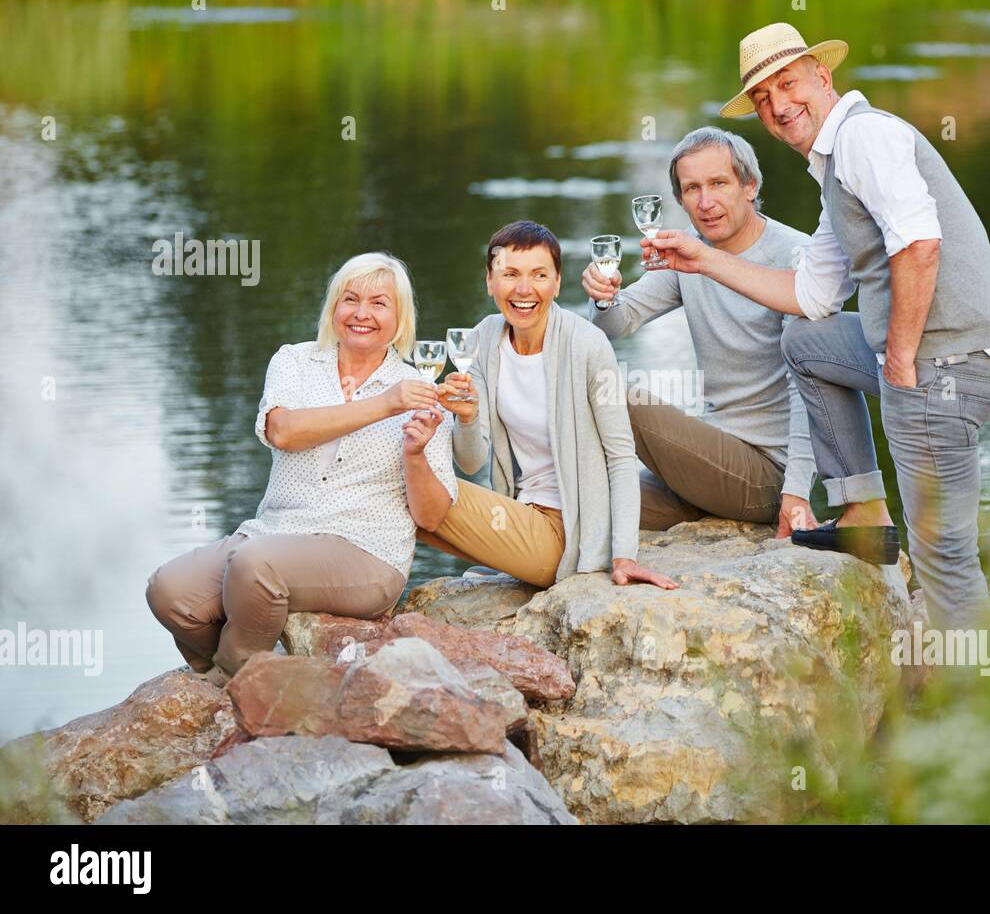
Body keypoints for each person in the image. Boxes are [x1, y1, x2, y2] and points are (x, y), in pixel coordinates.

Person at [646, 23, 990, 629]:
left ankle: (984, 709)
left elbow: (920, 245)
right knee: (807, 340)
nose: (778, 105)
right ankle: (862, 514)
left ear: (823, 77)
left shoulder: (862, 139)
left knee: (943, 552)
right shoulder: (835, 171)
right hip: (941, 356)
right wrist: (703, 258)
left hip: (953, 361)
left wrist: (899, 362)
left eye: (787, 84)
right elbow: (810, 296)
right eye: (763, 99)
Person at [146, 252, 458, 686]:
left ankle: (234, 684)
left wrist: (415, 455)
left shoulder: (419, 387)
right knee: (170, 591)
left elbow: (431, 516)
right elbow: (284, 431)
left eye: (379, 303)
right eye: (350, 299)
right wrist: (385, 404)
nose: (362, 313)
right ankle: (252, 668)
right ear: (333, 308)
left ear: (401, 318)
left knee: (256, 567)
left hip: (366, 549)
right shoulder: (294, 361)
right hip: (278, 530)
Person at [581, 126, 817, 536]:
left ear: (749, 186)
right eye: (692, 189)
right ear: (680, 200)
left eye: (718, 183)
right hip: (710, 464)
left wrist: (796, 494)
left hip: (768, 477)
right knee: (584, 500)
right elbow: (616, 324)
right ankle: (497, 576)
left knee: (609, 389)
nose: (705, 202)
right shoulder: (691, 252)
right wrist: (603, 297)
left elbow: (812, 390)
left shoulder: (796, 254)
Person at [422, 220, 677, 591]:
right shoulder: (483, 338)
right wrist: (466, 417)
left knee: (417, 488)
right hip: (518, 513)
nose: (524, 289)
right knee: (411, 497)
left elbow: (621, 456)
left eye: (539, 275)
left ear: (557, 283)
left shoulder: (587, 344)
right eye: (510, 274)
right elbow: (472, 462)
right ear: (490, 282)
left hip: (565, 532)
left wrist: (624, 556)